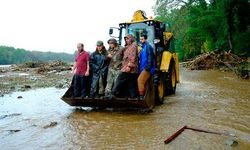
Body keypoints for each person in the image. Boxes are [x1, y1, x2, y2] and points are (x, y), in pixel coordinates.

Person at [111, 34, 138, 98]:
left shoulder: (133, 46)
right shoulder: (127, 47)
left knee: (120, 79)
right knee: (131, 83)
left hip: (129, 68)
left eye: (127, 39)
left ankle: (113, 94)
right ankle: (133, 97)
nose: (126, 40)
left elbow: (133, 57)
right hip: (130, 69)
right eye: (125, 39)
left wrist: (129, 66)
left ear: (131, 39)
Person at [137, 34, 155, 100]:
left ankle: (142, 97)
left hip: (147, 68)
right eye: (140, 39)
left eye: (142, 39)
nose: (141, 40)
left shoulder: (148, 47)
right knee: (146, 83)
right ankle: (148, 98)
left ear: (146, 39)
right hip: (143, 68)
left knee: (140, 80)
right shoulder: (143, 48)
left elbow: (150, 57)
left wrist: (148, 67)